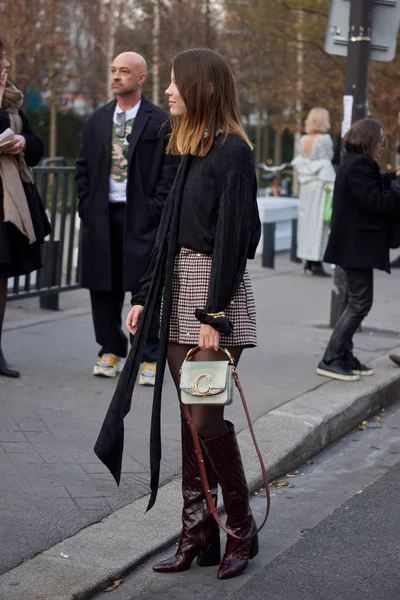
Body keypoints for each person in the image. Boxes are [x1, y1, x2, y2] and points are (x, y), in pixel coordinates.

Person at [94, 48, 262, 580]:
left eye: (175, 82)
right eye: (165, 82)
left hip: (216, 296)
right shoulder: (188, 147)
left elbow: (238, 236)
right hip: (176, 289)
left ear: (205, 89)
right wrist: (144, 295)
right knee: (191, 418)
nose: (167, 91)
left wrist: (214, 314)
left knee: (206, 415)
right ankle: (198, 532)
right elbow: (167, 233)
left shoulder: (233, 153)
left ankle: (240, 528)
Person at [75, 52, 179, 384]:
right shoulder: (97, 119)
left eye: (124, 71)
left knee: (142, 285)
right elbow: (83, 168)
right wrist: (87, 207)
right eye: (113, 71)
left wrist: (154, 209)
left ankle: (147, 354)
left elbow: (170, 170)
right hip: (102, 218)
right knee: (102, 286)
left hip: (142, 219)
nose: (116, 76)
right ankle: (110, 349)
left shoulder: (160, 120)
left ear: (141, 78)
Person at [317, 118, 400, 382]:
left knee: (352, 301)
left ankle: (343, 354)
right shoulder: (360, 164)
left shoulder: (354, 163)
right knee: (361, 302)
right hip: (357, 247)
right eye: (380, 142)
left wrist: (393, 178)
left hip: (353, 246)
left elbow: (372, 185)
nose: (382, 147)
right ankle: (331, 357)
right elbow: (374, 201)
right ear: (369, 141)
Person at [0, 41, 50, 377]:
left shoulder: (13, 104)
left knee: (0, 277)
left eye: (5, 69)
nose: (5, 75)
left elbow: (37, 146)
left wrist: (22, 143)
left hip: (7, 202)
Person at [292, 107, 336, 276]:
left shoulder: (303, 140)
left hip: (306, 185)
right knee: (320, 223)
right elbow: (326, 161)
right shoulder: (325, 139)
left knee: (306, 224)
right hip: (320, 185)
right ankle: (317, 261)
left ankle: (308, 260)